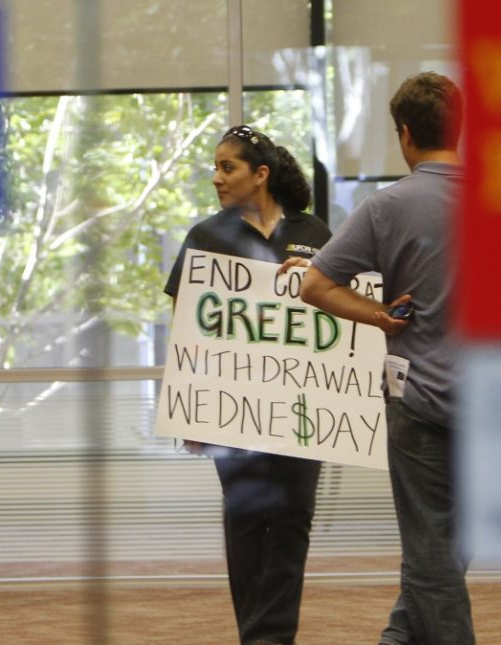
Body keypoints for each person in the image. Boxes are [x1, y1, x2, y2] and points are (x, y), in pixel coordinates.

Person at [297, 72, 473, 645]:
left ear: (405, 135)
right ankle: (397, 638)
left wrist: (377, 316)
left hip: (418, 403)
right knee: (448, 545)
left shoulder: (386, 207)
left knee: (431, 548)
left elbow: (316, 286)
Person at [164, 124, 331, 645]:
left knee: (292, 521)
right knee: (246, 521)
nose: (216, 177)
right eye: (215, 167)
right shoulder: (206, 236)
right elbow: (184, 325)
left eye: (227, 167)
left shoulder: (317, 233)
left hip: (304, 407)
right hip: (232, 409)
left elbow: (341, 312)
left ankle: (272, 637)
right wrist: (189, 407)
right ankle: (257, 636)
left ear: (261, 175)